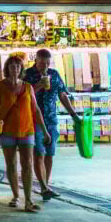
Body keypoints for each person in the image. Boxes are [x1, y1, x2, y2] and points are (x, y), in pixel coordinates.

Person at [0, 55, 54, 212]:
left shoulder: (27, 87)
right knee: (11, 164)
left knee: (27, 164)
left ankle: (28, 200)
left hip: (27, 129)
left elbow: (36, 109)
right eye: (12, 66)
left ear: (21, 70)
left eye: (18, 67)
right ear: (7, 69)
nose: (15, 69)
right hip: (7, 131)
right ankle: (15, 196)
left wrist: (45, 131)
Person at [23, 49, 80, 200]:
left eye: (48, 63)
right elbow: (23, 97)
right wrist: (39, 86)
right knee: (39, 154)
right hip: (34, 119)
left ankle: (45, 186)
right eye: (42, 62)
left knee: (49, 154)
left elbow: (62, 94)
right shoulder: (27, 75)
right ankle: (43, 186)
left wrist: (73, 114)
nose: (45, 66)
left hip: (51, 119)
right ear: (36, 60)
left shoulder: (54, 74)